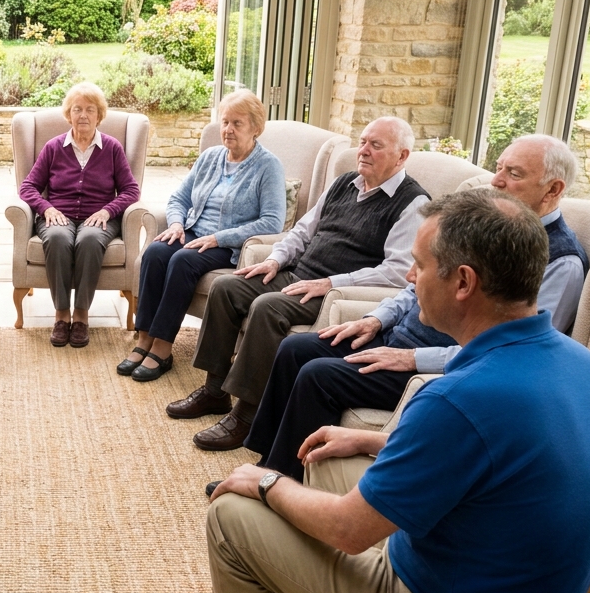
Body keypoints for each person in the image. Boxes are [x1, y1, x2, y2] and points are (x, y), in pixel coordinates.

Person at [170, 191, 590, 593]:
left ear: (463, 282)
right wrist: (372, 443)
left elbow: (347, 532)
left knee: (232, 516)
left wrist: (267, 482)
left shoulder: (459, 399)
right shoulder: (583, 366)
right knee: (326, 457)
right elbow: (508, 460)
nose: (408, 276)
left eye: (420, 266)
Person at [236, 134, 590, 483]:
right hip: (396, 336)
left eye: (514, 174)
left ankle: (282, 479)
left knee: (320, 376)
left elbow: (518, 352)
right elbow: (418, 281)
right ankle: (268, 456)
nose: (496, 181)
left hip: (435, 363)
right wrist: (377, 318)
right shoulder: (492, 228)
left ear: (553, 189)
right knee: (296, 348)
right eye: (498, 168)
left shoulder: (562, 261)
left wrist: (414, 358)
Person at [170, 116, 428, 453]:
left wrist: (330, 282)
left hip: (335, 292)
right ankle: (215, 391)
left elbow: (395, 271)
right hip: (296, 273)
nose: (362, 151)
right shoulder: (344, 183)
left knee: (266, 307)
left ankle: (246, 414)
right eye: (362, 141)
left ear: (402, 156)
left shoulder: (413, 203)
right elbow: (303, 231)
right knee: (227, 287)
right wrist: (275, 259)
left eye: (375, 145)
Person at [118, 90, 284, 380]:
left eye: (237, 124)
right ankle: (143, 338)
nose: (228, 130)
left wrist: (219, 238)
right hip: (192, 232)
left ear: (256, 128)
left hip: (228, 244)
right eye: (224, 122)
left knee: (183, 260)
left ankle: (163, 347)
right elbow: (178, 199)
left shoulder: (268, 167)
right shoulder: (211, 157)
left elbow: (272, 222)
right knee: (156, 253)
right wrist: (176, 224)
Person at [19, 82, 140, 348]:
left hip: (98, 218)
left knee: (88, 240)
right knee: (59, 238)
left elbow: (131, 190)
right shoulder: (53, 147)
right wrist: (47, 208)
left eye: (90, 109)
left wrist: (107, 211)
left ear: (99, 115)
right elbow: (27, 187)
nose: (83, 115)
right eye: (77, 109)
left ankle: (82, 315)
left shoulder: (111, 148)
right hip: (57, 216)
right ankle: (62, 314)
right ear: (68, 114)